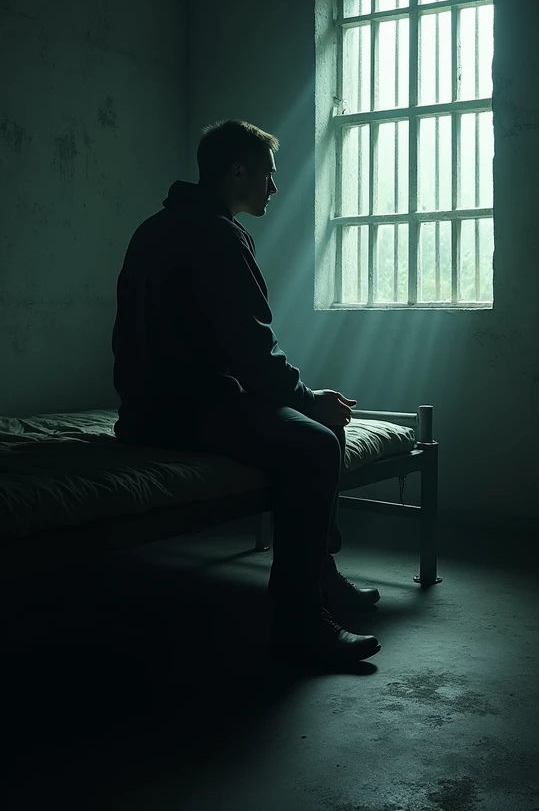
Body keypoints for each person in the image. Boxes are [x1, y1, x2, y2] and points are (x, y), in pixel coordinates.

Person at [112, 119, 382, 665]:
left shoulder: (154, 228)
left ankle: (318, 576)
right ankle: (300, 619)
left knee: (301, 421)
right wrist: (309, 402)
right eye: (269, 176)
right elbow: (252, 351)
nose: (275, 188)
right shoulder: (215, 235)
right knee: (317, 442)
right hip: (187, 410)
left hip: (144, 409)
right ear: (238, 171)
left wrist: (295, 397)